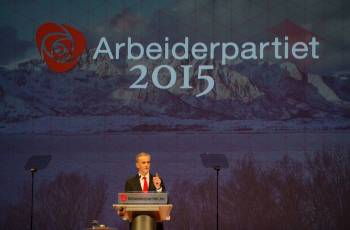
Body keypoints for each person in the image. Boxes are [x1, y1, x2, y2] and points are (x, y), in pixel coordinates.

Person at [123, 152, 166, 230]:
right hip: (137, 225)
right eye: (143, 163)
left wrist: (158, 188)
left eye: (148, 162)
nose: (146, 165)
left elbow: (165, 202)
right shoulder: (130, 182)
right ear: (137, 165)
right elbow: (126, 205)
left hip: (156, 225)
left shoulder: (157, 180)